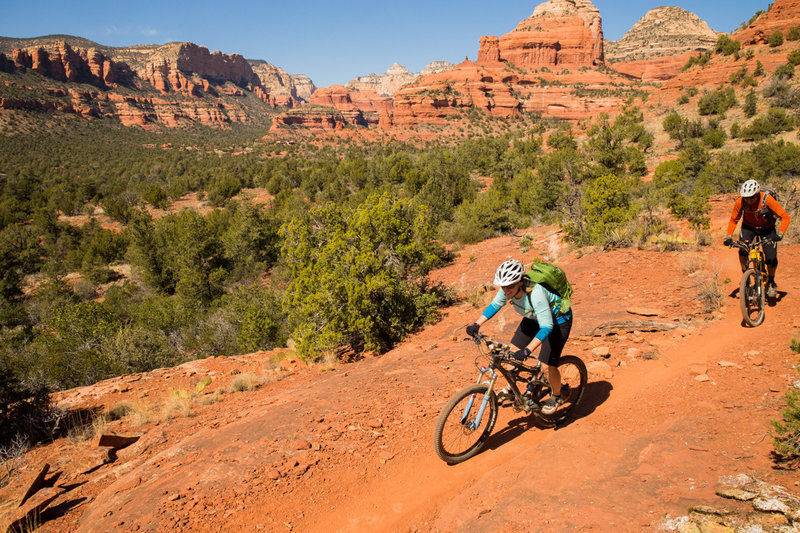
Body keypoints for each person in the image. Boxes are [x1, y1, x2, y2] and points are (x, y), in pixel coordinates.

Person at [465, 259, 573, 415]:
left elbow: (546, 327)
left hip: (557, 321)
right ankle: (511, 388)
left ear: (520, 283)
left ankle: (557, 395)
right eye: (503, 286)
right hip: (532, 317)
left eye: (510, 287)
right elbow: (495, 305)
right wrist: (477, 324)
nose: (506, 290)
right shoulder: (507, 290)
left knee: (546, 366)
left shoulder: (536, 294)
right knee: (511, 354)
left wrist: (527, 350)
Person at [724, 179, 791, 298]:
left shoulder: (767, 199)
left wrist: (780, 234)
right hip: (748, 227)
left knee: (771, 258)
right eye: (746, 197)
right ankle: (746, 276)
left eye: (751, 197)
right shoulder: (741, 202)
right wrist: (729, 236)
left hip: (767, 228)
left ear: (756, 194)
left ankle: (771, 281)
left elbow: (785, 217)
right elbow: (734, 219)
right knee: (743, 250)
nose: (748, 200)